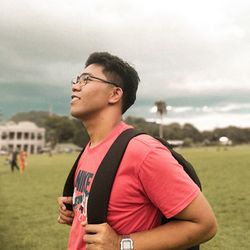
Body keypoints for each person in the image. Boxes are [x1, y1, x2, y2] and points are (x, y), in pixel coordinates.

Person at [57, 52, 217, 250]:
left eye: (86, 80)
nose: (75, 86)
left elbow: (205, 225)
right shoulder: (91, 147)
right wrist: (78, 208)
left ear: (115, 94)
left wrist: (121, 244)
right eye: (77, 79)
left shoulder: (144, 152)